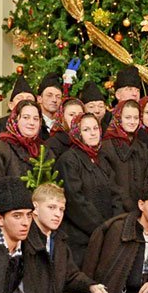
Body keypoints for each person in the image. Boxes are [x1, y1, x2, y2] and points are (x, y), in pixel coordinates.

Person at [56, 113, 122, 267]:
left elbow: (116, 193)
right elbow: (75, 200)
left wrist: (114, 225)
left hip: (107, 235)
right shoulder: (69, 160)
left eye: (95, 128)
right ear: (77, 133)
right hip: (79, 239)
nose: (93, 133)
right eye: (86, 129)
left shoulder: (102, 159)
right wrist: (101, 228)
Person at [99, 99, 148, 214]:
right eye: (128, 117)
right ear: (119, 118)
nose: (132, 122)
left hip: (140, 211)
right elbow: (109, 184)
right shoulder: (106, 147)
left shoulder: (142, 148)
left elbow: (147, 179)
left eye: (136, 118)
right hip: (115, 211)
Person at [0, 100, 41, 194]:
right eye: (26, 117)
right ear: (15, 120)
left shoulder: (43, 149)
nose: (31, 123)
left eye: (36, 119)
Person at [0, 76, 36, 144]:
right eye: (20, 99)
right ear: (11, 105)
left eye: (29, 99)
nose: (25, 102)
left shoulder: (41, 130)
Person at [36, 73, 63, 140]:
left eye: (58, 97)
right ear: (39, 99)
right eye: (49, 95)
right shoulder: (34, 123)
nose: (54, 100)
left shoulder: (63, 126)